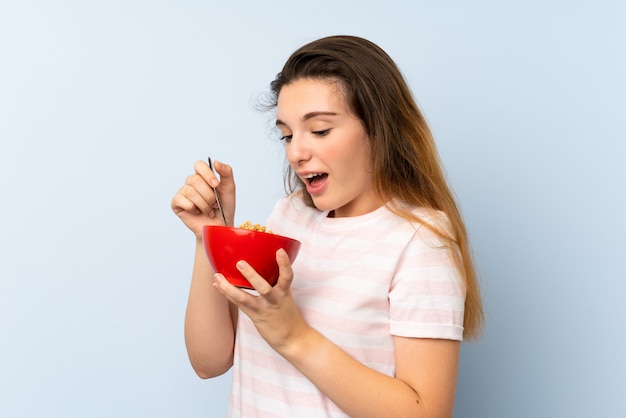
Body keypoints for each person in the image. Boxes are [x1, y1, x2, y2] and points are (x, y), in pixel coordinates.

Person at [171, 35, 483, 418]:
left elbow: (426, 412)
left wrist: (293, 336)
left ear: (379, 129)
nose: (296, 153)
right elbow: (210, 361)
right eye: (286, 135)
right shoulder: (289, 217)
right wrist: (211, 237)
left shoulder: (420, 242)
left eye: (319, 130)